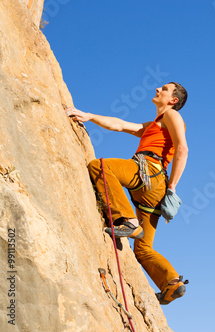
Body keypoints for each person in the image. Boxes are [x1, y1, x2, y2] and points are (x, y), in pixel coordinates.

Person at [65, 82, 189, 305]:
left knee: (101, 167)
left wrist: (173, 186)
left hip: (149, 171)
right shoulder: (154, 125)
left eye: (164, 89)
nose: (157, 90)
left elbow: (183, 148)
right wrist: (89, 116)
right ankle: (172, 284)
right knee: (143, 249)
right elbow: (120, 125)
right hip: (153, 191)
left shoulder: (171, 115)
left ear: (173, 100)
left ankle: (128, 220)